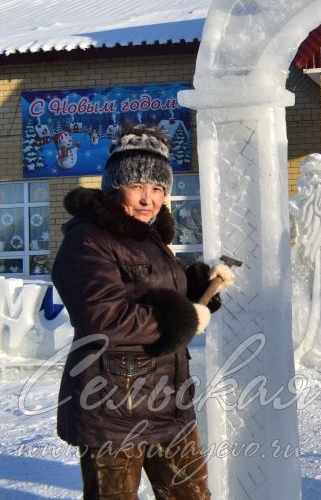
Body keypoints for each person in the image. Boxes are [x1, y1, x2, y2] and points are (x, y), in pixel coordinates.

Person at [52, 125, 235, 500]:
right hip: (112, 411)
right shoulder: (87, 241)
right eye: (137, 186)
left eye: (157, 189)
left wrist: (200, 285)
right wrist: (183, 319)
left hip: (169, 405)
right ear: (114, 186)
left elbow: (155, 291)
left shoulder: (148, 238)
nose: (147, 200)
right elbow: (105, 319)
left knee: (193, 495)